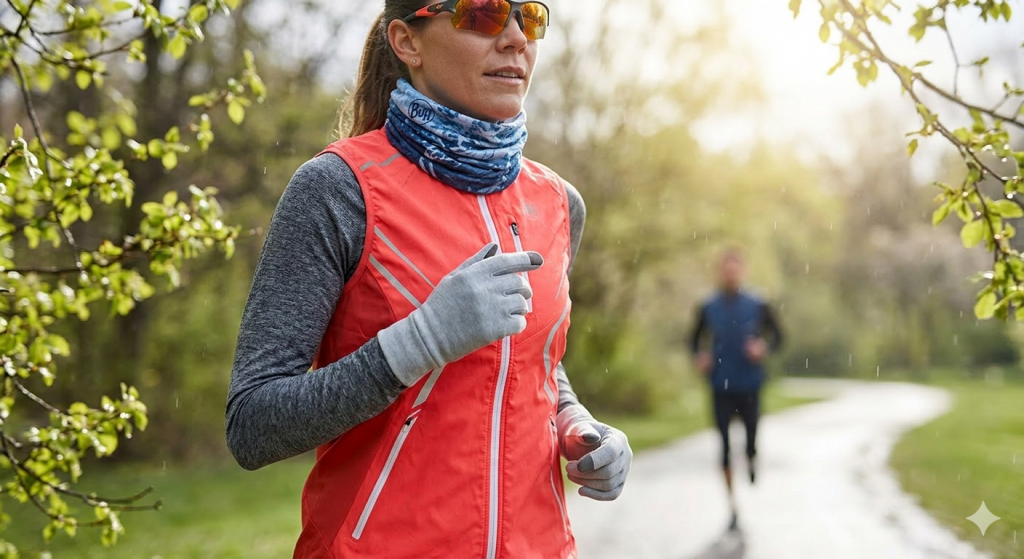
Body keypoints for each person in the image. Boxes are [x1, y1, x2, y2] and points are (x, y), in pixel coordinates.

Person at [225, 2, 633, 558]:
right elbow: (252, 424)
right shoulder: (337, 190)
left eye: (529, 16)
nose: (515, 38)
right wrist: (418, 343)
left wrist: (577, 423)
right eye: (484, 14)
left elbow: (535, 363)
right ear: (407, 42)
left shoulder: (560, 204)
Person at [689, 247, 783, 532]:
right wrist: (700, 356)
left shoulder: (758, 304)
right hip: (720, 385)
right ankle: (732, 507)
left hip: (750, 384)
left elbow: (779, 336)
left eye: (735, 269)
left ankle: (753, 458)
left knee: (751, 440)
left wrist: (762, 347)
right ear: (720, 272)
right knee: (725, 447)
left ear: (742, 271)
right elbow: (693, 341)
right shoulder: (708, 306)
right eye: (725, 269)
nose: (730, 274)